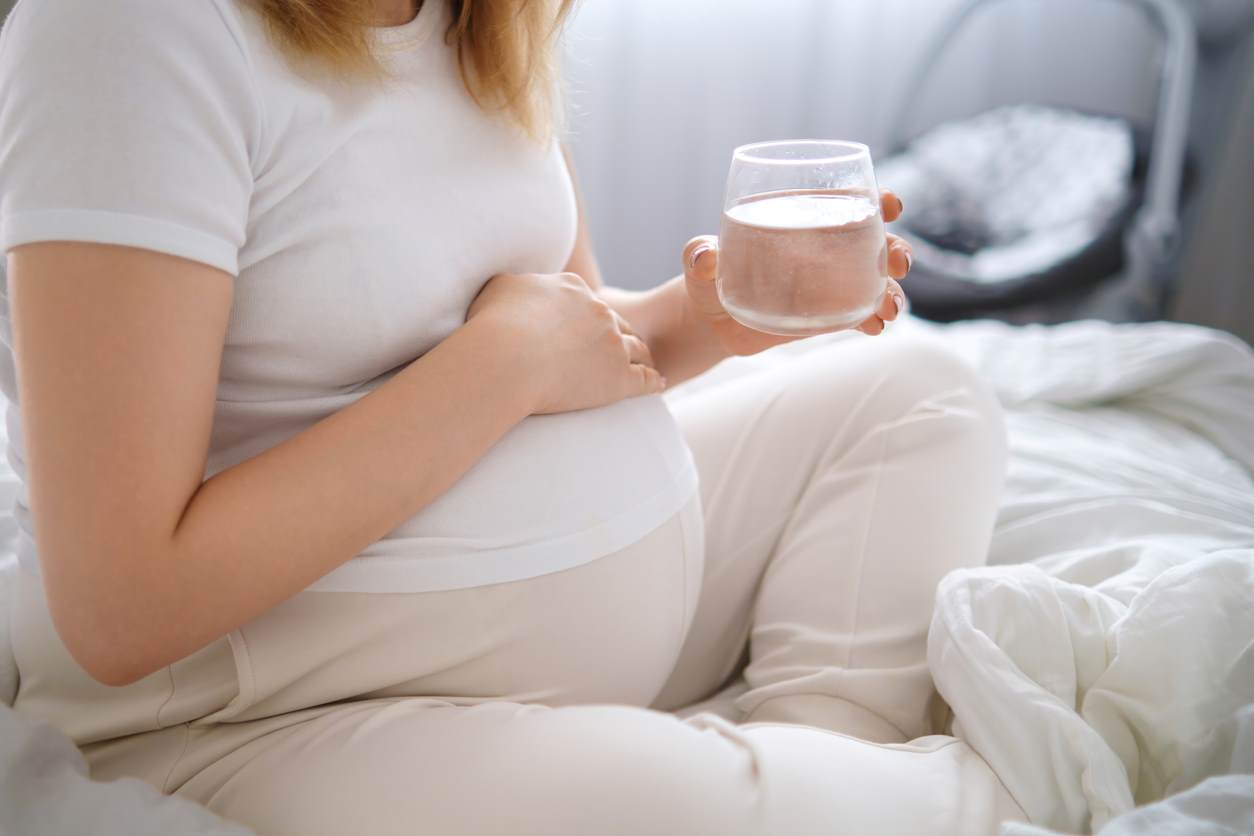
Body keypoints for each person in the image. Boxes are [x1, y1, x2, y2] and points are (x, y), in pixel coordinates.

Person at [0, 0, 1022, 833]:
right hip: (272, 705)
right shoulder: (124, 31)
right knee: (912, 808)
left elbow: (565, 329)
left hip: (545, 633)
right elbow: (120, 605)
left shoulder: (478, 20)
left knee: (922, 392)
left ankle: (817, 750)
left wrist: (711, 317)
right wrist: (498, 366)